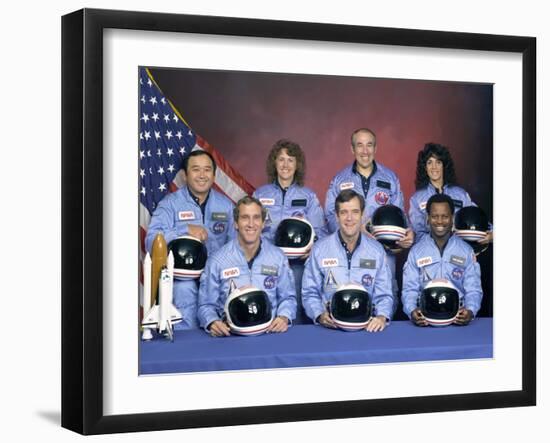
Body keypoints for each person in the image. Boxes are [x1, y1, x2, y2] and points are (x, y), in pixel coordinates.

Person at [324, 128, 413, 313]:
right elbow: (330, 215)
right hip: (347, 251)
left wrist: (405, 235)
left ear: (376, 148)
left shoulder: (390, 178)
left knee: (385, 303)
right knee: (351, 303)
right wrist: (354, 232)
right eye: (360, 145)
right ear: (352, 149)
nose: (365, 151)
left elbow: (400, 215)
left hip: (383, 252)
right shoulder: (339, 180)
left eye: (369, 145)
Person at [145, 150, 235, 330]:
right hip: (182, 278)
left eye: (207, 170)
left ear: (214, 175)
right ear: (185, 175)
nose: (202, 175)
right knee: (184, 289)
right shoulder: (170, 204)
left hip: (215, 278)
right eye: (196, 169)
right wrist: (184, 229)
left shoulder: (226, 206)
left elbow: (235, 247)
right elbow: (151, 240)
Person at [197, 196, 297, 336]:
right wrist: (212, 321)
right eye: (245, 217)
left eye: (256, 217)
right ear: (236, 223)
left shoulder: (278, 258)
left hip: (270, 334)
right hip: (231, 338)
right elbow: (205, 305)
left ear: (263, 223)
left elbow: (288, 298)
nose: (251, 224)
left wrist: (284, 316)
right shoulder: (217, 261)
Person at [253, 139, 326, 323]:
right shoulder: (260, 195)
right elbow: (250, 230)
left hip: (298, 266)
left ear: (297, 165)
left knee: (299, 310)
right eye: (281, 159)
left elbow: (321, 232)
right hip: (266, 263)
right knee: (266, 309)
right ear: (274, 163)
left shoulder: (308, 196)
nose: (285, 165)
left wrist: (312, 248)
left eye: (291, 160)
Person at [302, 190, 394, 332]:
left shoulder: (376, 251)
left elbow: (384, 295)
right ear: (337, 216)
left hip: (367, 329)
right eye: (344, 212)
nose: (349, 218)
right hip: (330, 329)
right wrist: (319, 315)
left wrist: (381, 316)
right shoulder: (319, 250)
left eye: (355, 212)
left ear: (362, 215)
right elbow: (309, 292)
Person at [402, 193, 483, 326]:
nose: (440, 221)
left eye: (445, 216)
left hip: (457, 318)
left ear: (452, 218)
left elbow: (473, 289)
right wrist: (412, 311)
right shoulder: (416, 252)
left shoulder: (466, 251)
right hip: (426, 319)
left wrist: (470, 311)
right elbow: (409, 289)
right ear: (427, 218)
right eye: (434, 216)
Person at [409, 142, 493, 244]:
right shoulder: (417, 199)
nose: (434, 167)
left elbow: (477, 217)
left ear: (444, 166)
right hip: (430, 254)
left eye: (438, 162)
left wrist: (492, 233)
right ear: (425, 168)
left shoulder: (460, 195)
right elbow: (418, 234)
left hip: (459, 251)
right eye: (429, 162)